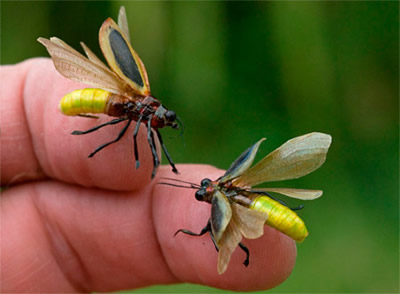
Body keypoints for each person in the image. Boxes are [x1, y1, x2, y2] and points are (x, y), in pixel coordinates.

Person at [0, 58, 296, 292]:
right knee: (121, 136)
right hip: (85, 102)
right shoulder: (141, 107)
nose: (165, 123)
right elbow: (120, 136)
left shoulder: (146, 112)